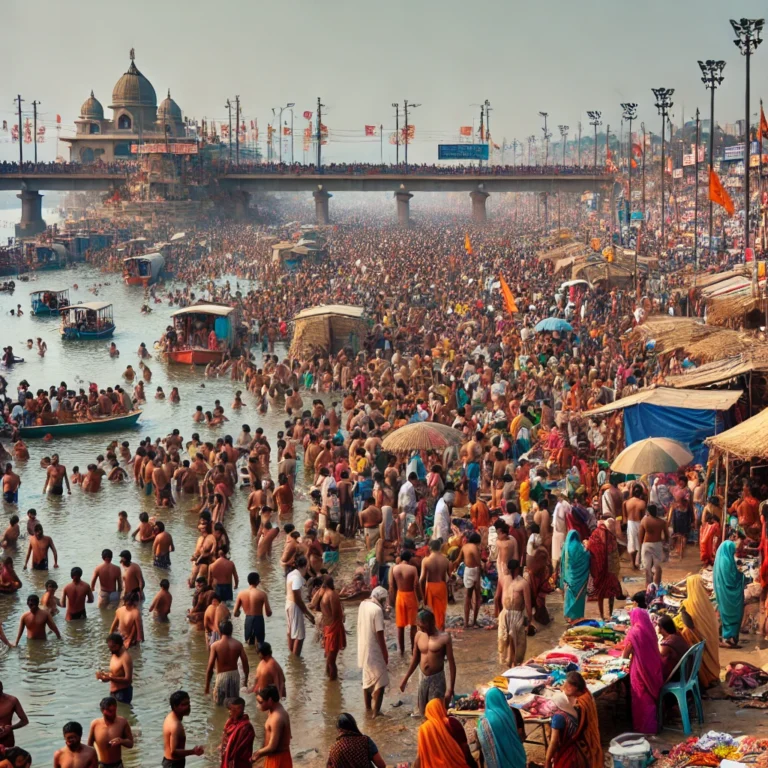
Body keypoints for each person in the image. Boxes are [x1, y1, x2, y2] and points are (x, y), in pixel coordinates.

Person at [400, 608, 456, 715]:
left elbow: (452, 664)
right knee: (422, 712)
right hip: (423, 679)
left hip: (437, 679)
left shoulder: (444, 638)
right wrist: (405, 679)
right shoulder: (419, 635)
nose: (419, 627)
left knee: (436, 713)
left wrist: (450, 689)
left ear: (430, 623)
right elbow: (415, 659)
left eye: (421, 625)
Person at [622, 608, 664, 733]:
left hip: (639, 669)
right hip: (654, 667)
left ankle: (644, 728)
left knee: (641, 697)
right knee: (650, 698)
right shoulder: (650, 629)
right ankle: (653, 725)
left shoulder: (634, 632)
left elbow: (625, 654)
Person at [679, 574, 720, 687]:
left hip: (699, 639)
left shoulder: (687, 604)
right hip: (711, 638)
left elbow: (689, 626)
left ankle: (705, 678)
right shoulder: (707, 602)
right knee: (711, 655)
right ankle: (714, 674)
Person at [357, 586, 389, 717]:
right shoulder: (377, 610)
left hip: (363, 647)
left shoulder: (363, 604)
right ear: (381, 599)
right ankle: (376, 713)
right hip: (374, 648)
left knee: (367, 680)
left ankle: (368, 709)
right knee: (381, 681)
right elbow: (380, 634)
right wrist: (385, 653)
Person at [476, 686, 527, 768]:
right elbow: (521, 735)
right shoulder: (514, 712)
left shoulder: (484, 721)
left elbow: (482, 742)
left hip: (498, 763)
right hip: (516, 757)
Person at [494, 558, 532, 667]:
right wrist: (529, 620)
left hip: (512, 615)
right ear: (518, 569)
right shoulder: (522, 583)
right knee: (513, 644)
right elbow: (528, 605)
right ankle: (512, 664)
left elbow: (496, 598)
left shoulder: (507, 580)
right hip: (508, 614)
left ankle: (512, 664)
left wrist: (529, 621)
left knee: (513, 644)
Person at [412, 698, 470, 768]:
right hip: (457, 764)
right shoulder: (452, 722)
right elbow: (464, 746)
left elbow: (420, 756)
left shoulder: (424, 729)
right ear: (441, 709)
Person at [205, 620, 248, 705]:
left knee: (219, 705)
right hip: (235, 676)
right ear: (231, 631)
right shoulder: (238, 644)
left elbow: (210, 667)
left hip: (221, 676)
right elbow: (245, 663)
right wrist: (245, 680)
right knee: (234, 704)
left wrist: (207, 686)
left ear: (220, 631)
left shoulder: (215, 646)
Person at [586, 520, 622, 619]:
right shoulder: (611, 536)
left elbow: (590, 547)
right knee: (611, 592)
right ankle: (610, 613)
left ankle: (602, 615)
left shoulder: (596, 534)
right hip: (611, 568)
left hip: (600, 567)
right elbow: (615, 552)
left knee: (601, 593)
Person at [713, 539, 745, 648]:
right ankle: (729, 639)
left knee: (726, 614)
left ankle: (728, 637)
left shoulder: (721, 558)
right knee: (734, 614)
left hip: (722, 592)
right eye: (733, 550)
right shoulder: (726, 560)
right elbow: (730, 580)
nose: (733, 552)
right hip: (729, 594)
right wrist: (741, 575)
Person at [390, 549, 422, 654]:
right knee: (413, 625)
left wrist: (392, 601)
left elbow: (392, 586)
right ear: (410, 559)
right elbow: (416, 585)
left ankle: (402, 651)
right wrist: (421, 598)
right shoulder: (413, 569)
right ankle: (413, 649)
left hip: (400, 597)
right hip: (411, 596)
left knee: (400, 625)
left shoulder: (394, 569)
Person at [252, 685, 292, 767]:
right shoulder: (274, 710)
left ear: (270, 700)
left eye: (261, 702)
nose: (258, 705)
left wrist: (257, 754)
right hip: (275, 756)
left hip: (278, 759)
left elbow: (272, 746)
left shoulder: (276, 718)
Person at [162, 690, 204, 768]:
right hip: (173, 764)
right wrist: (193, 751)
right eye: (183, 704)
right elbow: (174, 752)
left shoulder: (170, 716)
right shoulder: (176, 725)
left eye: (188, 703)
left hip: (168, 762)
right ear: (175, 706)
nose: (188, 706)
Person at [87, 697, 134, 766]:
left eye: (114, 710)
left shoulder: (122, 722)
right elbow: (89, 746)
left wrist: (121, 741)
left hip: (117, 765)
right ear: (102, 710)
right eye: (110, 711)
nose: (113, 714)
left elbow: (131, 744)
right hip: (101, 764)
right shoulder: (95, 724)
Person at [284, 555, 314, 656]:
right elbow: (297, 597)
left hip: (288, 604)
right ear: (306, 566)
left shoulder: (291, 574)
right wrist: (307, 614)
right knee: (299, 636)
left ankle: (292, 657)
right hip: (294, 606)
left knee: (291, 632)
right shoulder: (297, 578)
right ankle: (295, 658)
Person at [233, 571, 271, 648]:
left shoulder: (241, 594)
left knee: (249, 645)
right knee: (260, 645)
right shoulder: (262, 594)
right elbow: (268, 613)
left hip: (248, 620)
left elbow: (235, 613)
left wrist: (240, 611)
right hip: (258, 620)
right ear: (257, 581)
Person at [95, 632, 134, 704]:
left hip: (123, 693)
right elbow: (114, 674)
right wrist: (104, 676)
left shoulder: (126, 658)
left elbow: (128, 679)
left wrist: (110, 678)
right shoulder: (114, 654)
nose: (110, 650)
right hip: (113, 692)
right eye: (109, 647)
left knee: (123, 714)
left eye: (112, 647)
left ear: (117, 646)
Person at [420, 539, 449, 631]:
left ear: (429, 548)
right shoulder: (445, 560)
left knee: (430, 612)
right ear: (440, 548)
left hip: (431, 587)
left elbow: (421, 580)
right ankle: (441, 632)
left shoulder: (426, 560)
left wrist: (422, 595)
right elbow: (448, 577)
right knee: (441, 612)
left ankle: (432, 633)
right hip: (441, 586)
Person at [562, 530, 590, 623]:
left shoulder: (565, 547)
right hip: (579, 578)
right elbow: (586, 557)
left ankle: (569, 616)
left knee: (569, 598)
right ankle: (576, 617)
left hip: (569, 576)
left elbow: (562, 561)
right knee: (579, 598)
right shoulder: (578, 546)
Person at [219, 696, 254, 768]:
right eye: (229, 709)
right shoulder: (230, 722)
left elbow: (238, 749)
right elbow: (225, 737)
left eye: (233, 710)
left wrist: (226, 751)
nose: (229, 712)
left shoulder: (246, 727)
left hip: (239, 763)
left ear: (240, 709)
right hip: (228, 759)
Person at [638, 503, 668, 586]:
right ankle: (656, 587)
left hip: (646, 544)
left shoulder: (644, 520)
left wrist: (641, 546)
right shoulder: (662, 522)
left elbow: (640, 536)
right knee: (657, 568)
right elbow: (667, 536)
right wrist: (665, 544)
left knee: (647, 568)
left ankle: (648, 588)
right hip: (657, 545)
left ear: (648, 511)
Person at [658, 615, 690, 681]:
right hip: (687, 670)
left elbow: (660, 653)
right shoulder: (676, 635)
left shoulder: (670, 641)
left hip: (679, 675)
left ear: (661, 627)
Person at [0, 683, 28, 749]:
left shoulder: (12, 700)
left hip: (7, 741)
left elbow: (25, 721)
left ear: (1, 687)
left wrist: (11, 728)